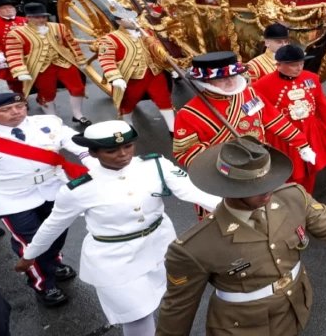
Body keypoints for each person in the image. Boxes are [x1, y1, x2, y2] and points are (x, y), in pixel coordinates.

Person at [156, 138, 326, 335]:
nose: (268, 193)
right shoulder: (194, 247)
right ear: (231, 190)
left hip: (294, 306)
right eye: (257, 189)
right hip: (243, 326)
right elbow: (178, 310)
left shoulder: (292, 197)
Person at [14, 121, 220, 336]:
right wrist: (31, 255)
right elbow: (54, 224)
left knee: (164, 303)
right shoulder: (79, 189)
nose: (123, 154)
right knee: (137, 316)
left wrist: (245, 208)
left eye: (128, 146)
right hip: (113, 259)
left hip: (160, 246)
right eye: (111, 150)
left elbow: (193, 192)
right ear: (93, 153)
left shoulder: (156, 165)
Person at [0, 93, 92, 307]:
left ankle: (53, 261)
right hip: (12, 199)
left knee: (57, 234)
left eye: (19, 106)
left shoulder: (47, 123)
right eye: (5, 110)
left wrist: (92, 162)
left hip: (53, 189)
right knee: (31, 243)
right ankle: (43, 283)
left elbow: (77, 143)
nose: (15, 112)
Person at [172, 51, 317, 176]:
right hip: (223, 172)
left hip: (259, 161)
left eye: (233, 76)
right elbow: (184, 153)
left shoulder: (249, 93)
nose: (230, 82)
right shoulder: (188, 114)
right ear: (206, 81)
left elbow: (275, 120)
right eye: (222, 79)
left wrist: (302, 144)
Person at [253, 44, 326, 193]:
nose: (299, 68)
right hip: (284, 138)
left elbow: (323, 105)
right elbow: (261, 115)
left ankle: (307, 199)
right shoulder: (262, 85)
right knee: (290, 173)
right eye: (294, 65)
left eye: (301, 63)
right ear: (279, 65)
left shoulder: (312, 78)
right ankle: (290, 200)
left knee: (311, 169)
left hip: (310, 131)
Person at [6, 2, 91, 126]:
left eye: (44, 17)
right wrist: (20, 70)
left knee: (78, 88)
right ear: (28, 17)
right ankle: (52, 118)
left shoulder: (59, 27)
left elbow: (72, 44)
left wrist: (80, 59)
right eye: (37, 17)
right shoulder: (16, 34)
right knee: (47, 93)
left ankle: (78, 115)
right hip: (41, 67)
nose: (41, 20)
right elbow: (13, 53)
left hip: (64, 62)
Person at [96, 5, 175, 129]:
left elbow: (159, 51)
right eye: (128, 18)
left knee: (164, 99)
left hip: (155, 73)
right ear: (119, 21)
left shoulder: (147, 33)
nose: (134, 20)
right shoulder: (110, 39)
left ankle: (172, 126)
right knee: (128, 103)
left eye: (135, 17)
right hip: (132, 77)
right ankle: (128, 123)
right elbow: (106, 59)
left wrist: (170, 66)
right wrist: (115, 77)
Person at [0, 0, 26, 95]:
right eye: (4, 8)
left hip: (29, 55)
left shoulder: (25, 20)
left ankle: (43, 100)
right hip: (8, 59)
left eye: (11, 7)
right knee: (15, 82)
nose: (9, 10)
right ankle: (20, 100)